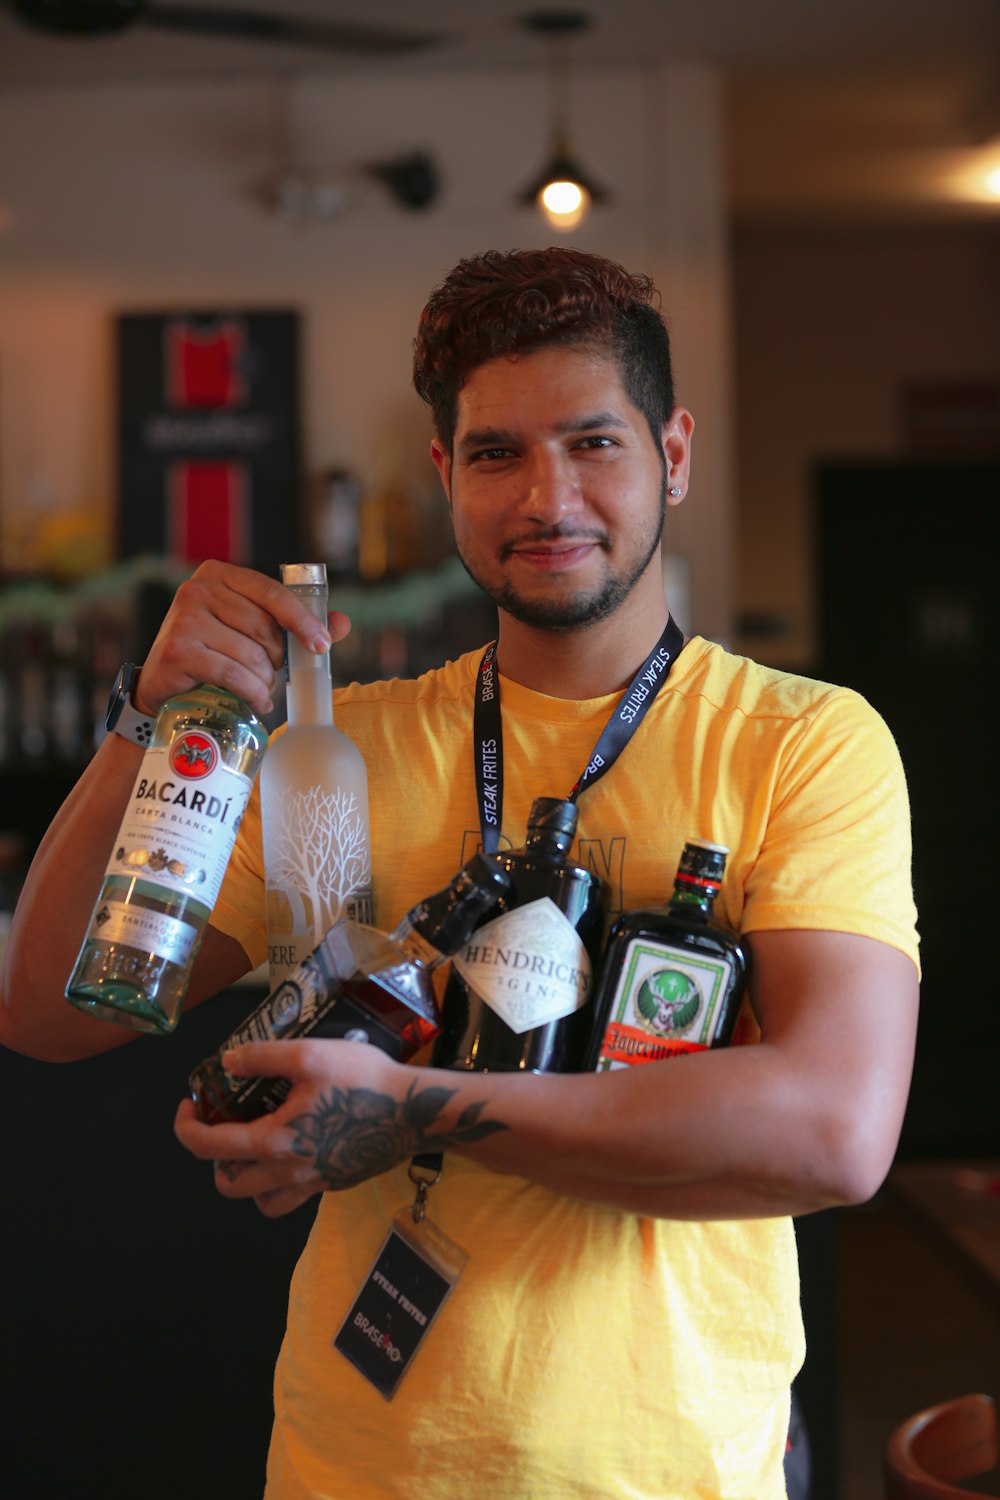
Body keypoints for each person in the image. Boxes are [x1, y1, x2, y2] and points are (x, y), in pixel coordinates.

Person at [0, 248, 919, 1500]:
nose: (548, 495)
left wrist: (409, 1106)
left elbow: (834, 1132)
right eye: (497, 454)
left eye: (594, 443)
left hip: (667, 1472)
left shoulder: (798, 740)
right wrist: (145, 722)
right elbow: (49, 1010)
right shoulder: (345, 750)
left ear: (675, 455)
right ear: (446, 476)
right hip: (353, 1467)